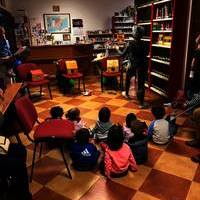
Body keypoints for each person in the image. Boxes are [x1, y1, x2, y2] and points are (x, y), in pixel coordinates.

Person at [116, 25, 148, 108]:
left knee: (128, 78)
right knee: (141, 84)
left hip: (132, 64)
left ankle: (126, 94)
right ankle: (141, 103)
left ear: (133, 33)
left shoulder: (129, 43)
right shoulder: (145, 43)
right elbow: (146, 54)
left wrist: (117, 48)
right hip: (142, 65)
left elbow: (122, 54)